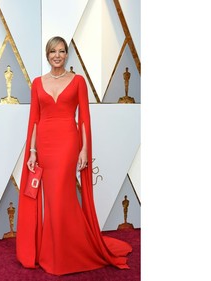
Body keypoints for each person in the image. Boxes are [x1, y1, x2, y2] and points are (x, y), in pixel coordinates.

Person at [16, 36, 132, 276]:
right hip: (45, 145)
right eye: (52, 52)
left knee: (61, 194)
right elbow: (34, 120)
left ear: (66, 54)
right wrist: (33, 152)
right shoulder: (37, 83)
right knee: (52, 199)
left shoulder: (78, 81)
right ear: (47, 56)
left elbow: (84, 119)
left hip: (68, 143)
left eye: (61, 51)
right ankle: (55, 251)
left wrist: (84, 149)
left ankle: (66, 253)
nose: (57, 56)